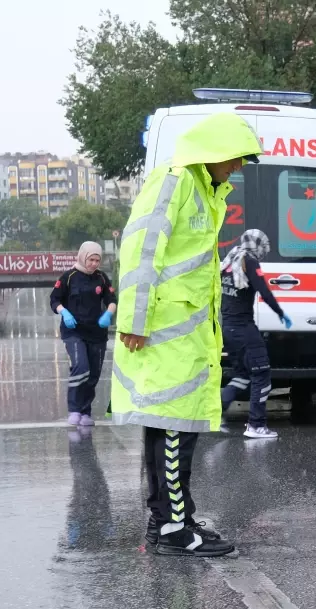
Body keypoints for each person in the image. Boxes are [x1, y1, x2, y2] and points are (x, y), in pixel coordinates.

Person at [112, 111, 262, 558]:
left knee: (170, 428)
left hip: (185, 335)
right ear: (212, 153)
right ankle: (175, 527)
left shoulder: (203, 190)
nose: (237, 168)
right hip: (165, 335)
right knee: (174, 429)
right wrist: (135, 321)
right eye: (234, 158)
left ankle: (169, 519)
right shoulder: (176, 182)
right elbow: (141, 250)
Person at [219, 228, 292, 439]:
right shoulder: (248, 261)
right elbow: (263, 289)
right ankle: (256, 425)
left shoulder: (231, 259)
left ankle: (216, 414)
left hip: (228, 329)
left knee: (242, 375)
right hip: (244, 329)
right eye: (264, 246)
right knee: (262, 374)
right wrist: (280, 313)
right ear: (258, 246)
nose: (265, 251)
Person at [51, 241, 117, 427]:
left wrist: (109, 313)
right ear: (83, 257)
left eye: (97, 260)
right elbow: (54, 300)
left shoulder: (102, 278)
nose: (94, 263)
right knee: (81, 367)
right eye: (91, 259)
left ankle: (85, 412)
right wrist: (64, 311)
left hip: (97, 333)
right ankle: (74, 408)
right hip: (74, 332)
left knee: (93, 374)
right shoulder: (68, 277)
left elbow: (112, 299)